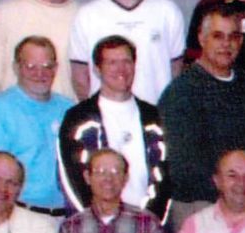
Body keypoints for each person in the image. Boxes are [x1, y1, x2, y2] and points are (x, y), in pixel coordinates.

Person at [158, 8, 245, 232]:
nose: (226, 44)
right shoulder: (181, 92)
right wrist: (231, 194)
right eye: (217, 36)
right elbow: (183, 167)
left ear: (241, 41)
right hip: (200, 205)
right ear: (201, 39)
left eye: (233, 36)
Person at [58, 36, 169, 220]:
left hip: (148, 224)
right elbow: (71, 179)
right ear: (97, 69)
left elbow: (165, 175)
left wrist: (151, 221)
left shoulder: (154, 117)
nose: (121, 69)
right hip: (97, 227)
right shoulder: (78, 118)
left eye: (127, 61)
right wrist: (99, 221)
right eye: (112, 62)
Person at [0, 36, 70, 215]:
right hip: (20, 213)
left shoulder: (69, 109)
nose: (40, 74)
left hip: (66, 215)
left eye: (47, 66)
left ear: (56, 68)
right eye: (31, 66)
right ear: (16, 68)